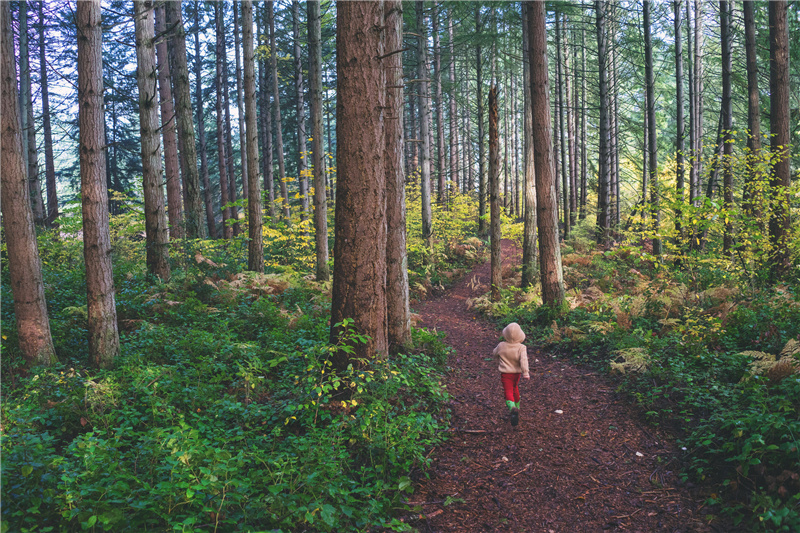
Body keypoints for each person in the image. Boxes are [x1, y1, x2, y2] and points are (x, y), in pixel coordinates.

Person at [492, 322, 530, 426]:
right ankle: (517, 407)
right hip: (516, 374)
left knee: (508, 390)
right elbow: (523, 360)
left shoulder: (501, 345)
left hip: (505, 373)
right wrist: (525, 373)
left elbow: (494, 353)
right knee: (515, 388)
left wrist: (498, 358)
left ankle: (512, 408)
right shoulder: (521, 347)